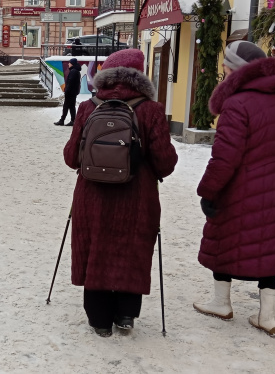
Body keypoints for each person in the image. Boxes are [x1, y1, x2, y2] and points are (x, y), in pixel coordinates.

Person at [193, 41, 275, 337]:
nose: (223, 70)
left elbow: (225, 155)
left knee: (223, 238)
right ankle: (268, 316)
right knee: (272, 246)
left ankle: (221, 303)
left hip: (242, 187)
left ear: (235, 69)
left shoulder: (237, 102)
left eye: (225, 65)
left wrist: (209, 191)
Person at [63, 49, 178, 337]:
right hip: (137, 197)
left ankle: (99, 319)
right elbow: (165, 163)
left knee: (95, 249)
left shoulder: (90, 107)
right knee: (132, 249)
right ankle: (126, 314)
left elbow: (71, 157)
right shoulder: (151, 109)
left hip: (92, 196)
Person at [55, 59, 81, 126]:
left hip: (70, 92)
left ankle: (62, 120)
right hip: (73, 92)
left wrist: (67, 91)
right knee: (71, 106)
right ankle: (73, 120)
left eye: (69, 63)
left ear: (72, 64)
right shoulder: (75, 71)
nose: (68, 64)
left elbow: (71, 83)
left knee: (66, 106)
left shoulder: (73, 71)